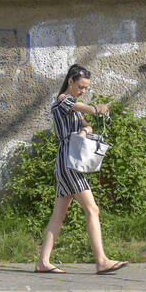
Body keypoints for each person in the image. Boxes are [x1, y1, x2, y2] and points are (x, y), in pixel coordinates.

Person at [35, 63, 129, 274]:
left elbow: (87, 125)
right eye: (81, 86)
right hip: (69, 164)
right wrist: (97, 109)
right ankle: (101, 261)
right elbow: (86, 110)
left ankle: (43, 262)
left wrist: (84, 132)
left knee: (58, 215)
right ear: (71, 81)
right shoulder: (62, 101)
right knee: (92, 209)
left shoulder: (73, 105)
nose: (83, 91)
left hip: (68, 161)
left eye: (86, 88)